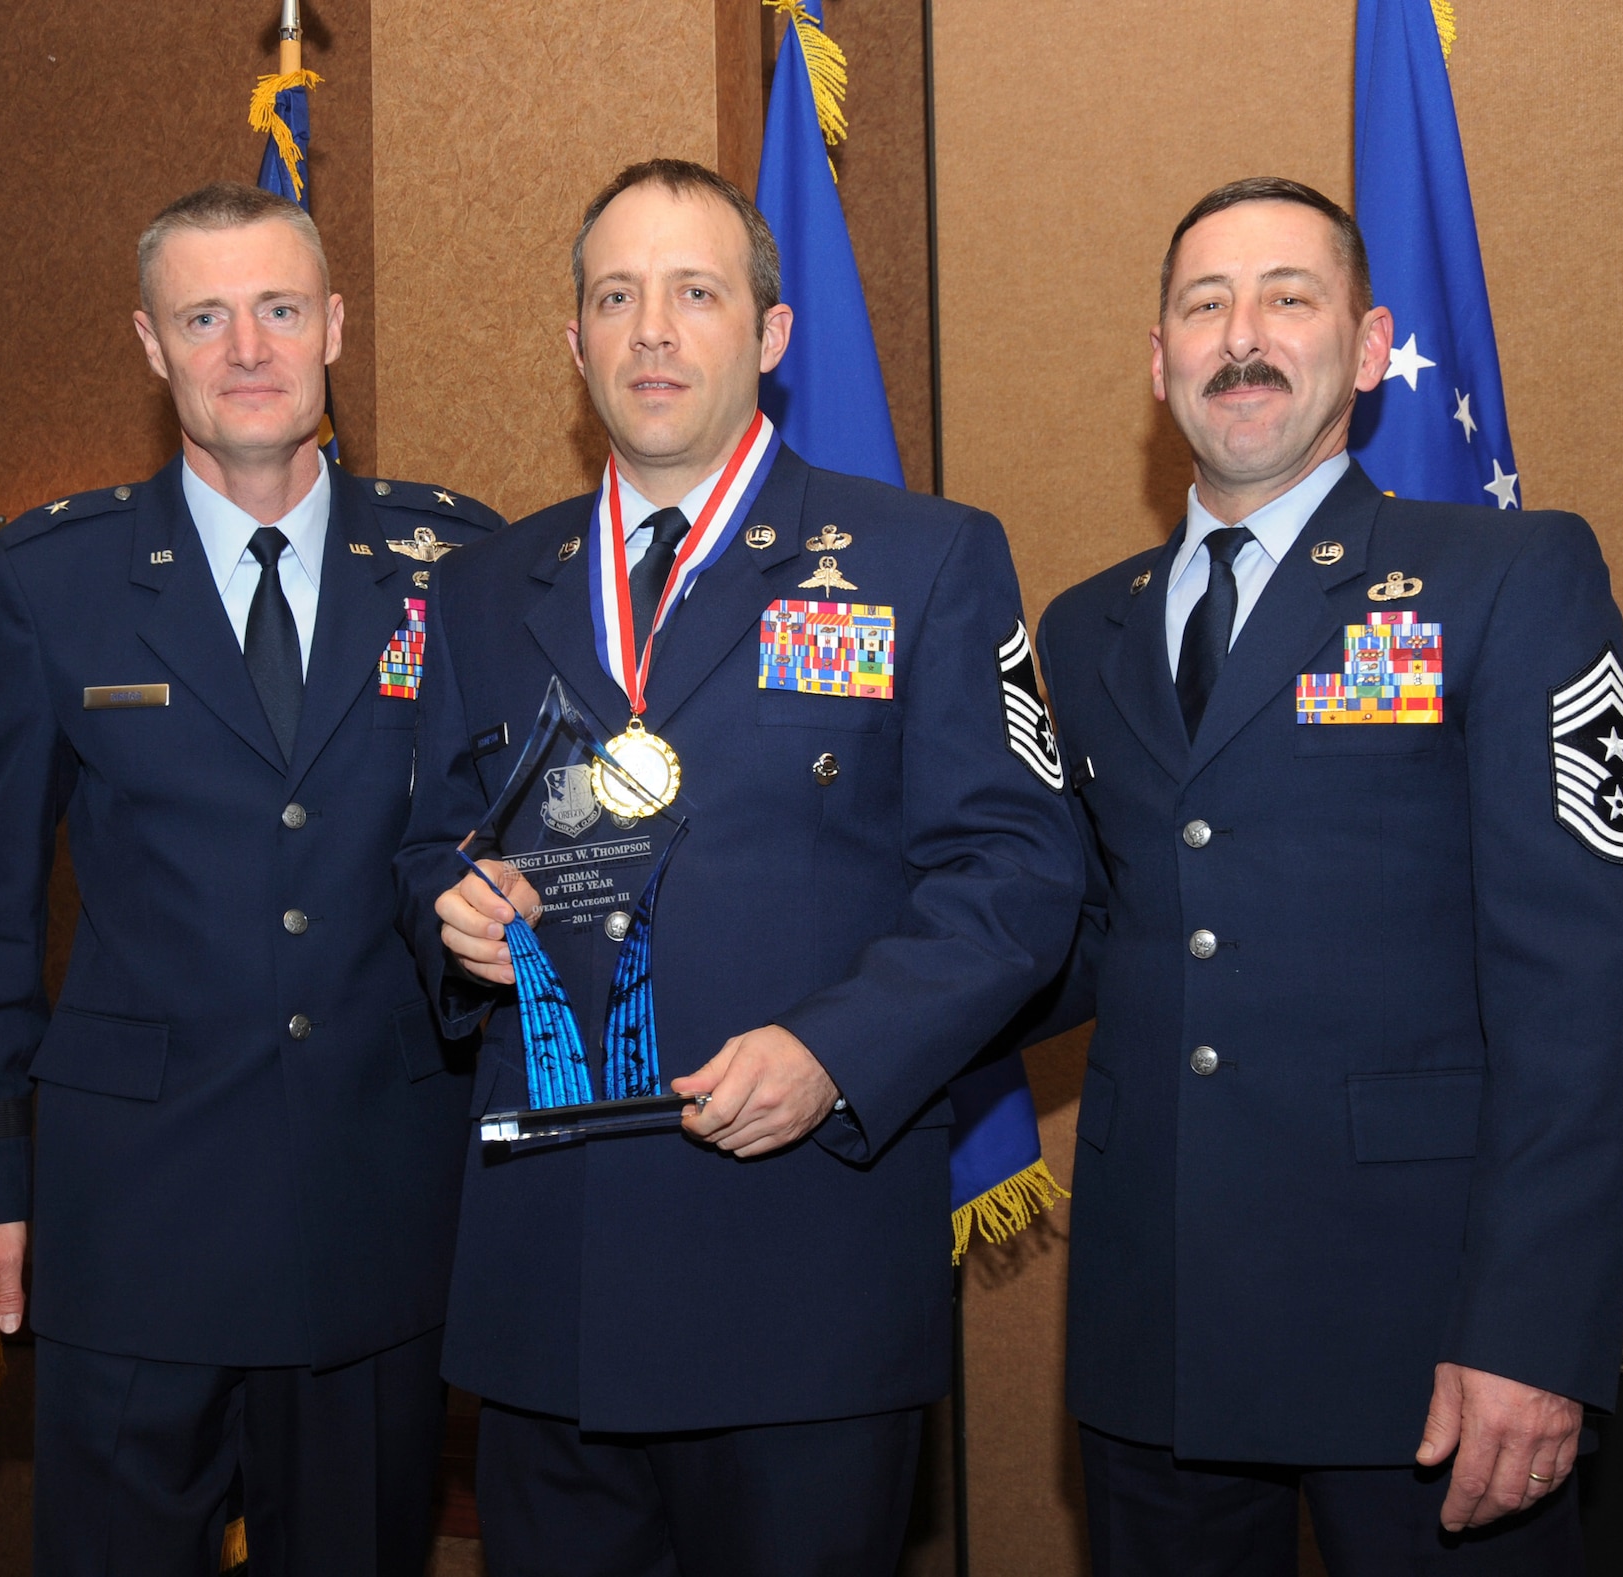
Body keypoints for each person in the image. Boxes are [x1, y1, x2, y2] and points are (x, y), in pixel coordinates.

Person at [393, 158, 1082, 1577]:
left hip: (799, 1274)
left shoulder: (924, 561)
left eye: (695, 293)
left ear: (770, 334)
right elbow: (428, 842)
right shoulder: (478, 586)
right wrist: (449, 911)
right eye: (616, 297)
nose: (652, 330)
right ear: (573, 341)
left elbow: (1018, 872)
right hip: (552, 1291)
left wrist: (838, 1052)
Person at [1028, 176, 1623, 1574]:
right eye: (1204, 305)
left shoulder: (1505, 576)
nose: (1241, 336)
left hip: (1429, 1346)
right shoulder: (1082, 629)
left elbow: (1586, 985)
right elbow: (1057, 934)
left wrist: (1533, 1332)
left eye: (1287, 298)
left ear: (1370, 348)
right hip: (1159, 1334)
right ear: (1158, 362)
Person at [0, 182, 502, 1576]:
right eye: (204, 315)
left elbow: (492, 862)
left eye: (280, 309)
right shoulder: (55, 578)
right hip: (132, 1216)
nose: (247, 347)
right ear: (149, 342)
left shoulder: (461, 561)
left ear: (334, 329)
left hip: (378, 1202)